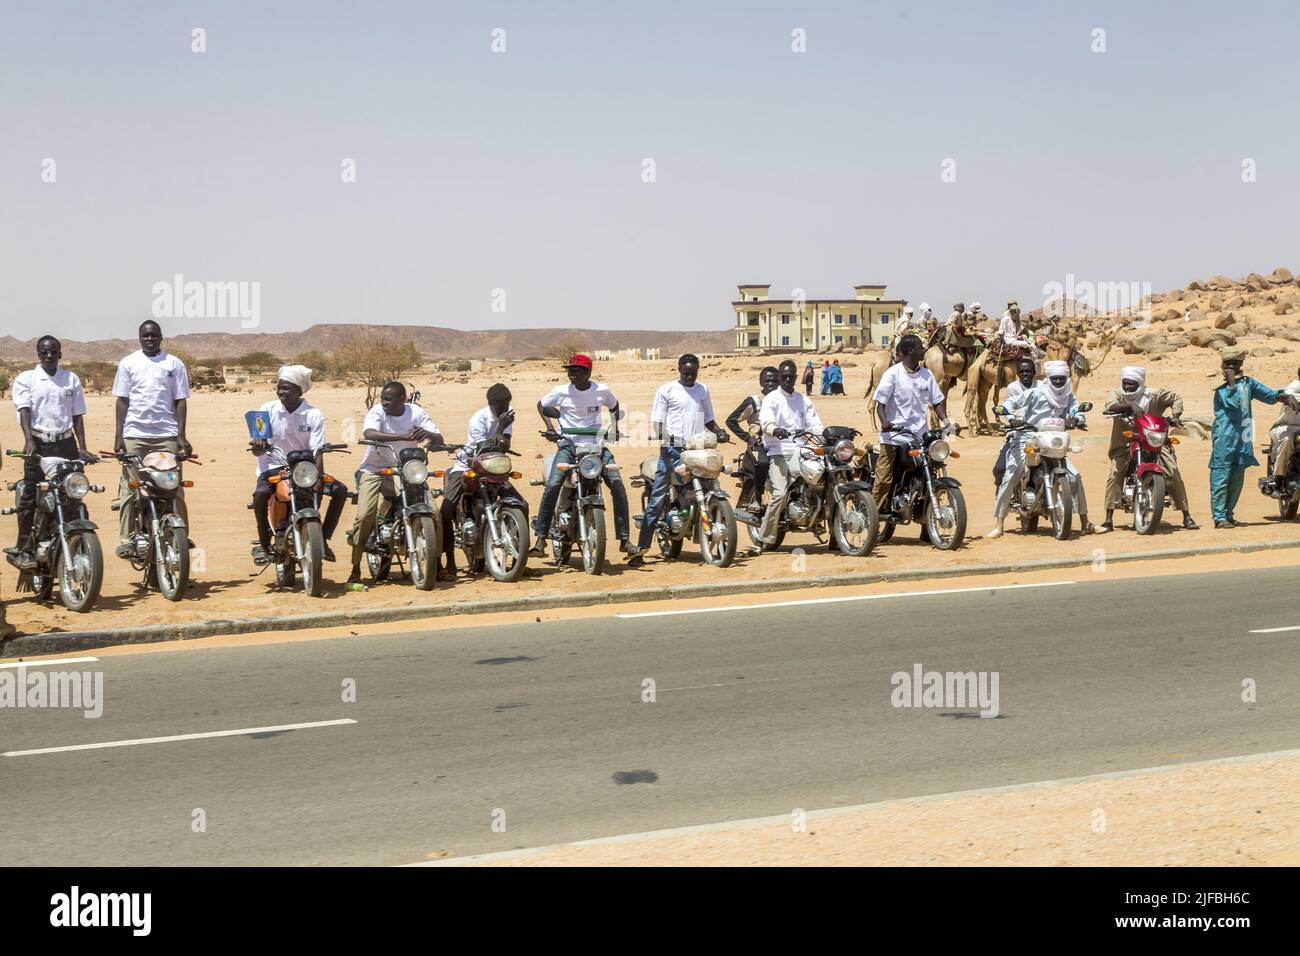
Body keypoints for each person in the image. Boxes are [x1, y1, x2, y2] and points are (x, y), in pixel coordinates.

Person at [6, 336, 98, 570]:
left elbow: (77, 415)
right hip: (38, 443)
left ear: (60, 353)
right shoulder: (27, 379)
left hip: (66, 443)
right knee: (29, 493)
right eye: (44, 352)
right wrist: (29, 441)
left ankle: (74, 540)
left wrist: (82, 448)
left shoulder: (71, 379)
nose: (49, 356)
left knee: (74, 493)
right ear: (38, 354)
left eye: (53, 352)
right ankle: (24, 549)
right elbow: (24, 410)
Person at [530, 354, 635, 559]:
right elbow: (541, 406)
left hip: (597, 446)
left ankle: (625, 540)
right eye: (569, 369)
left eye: (576, 370)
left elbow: (614, 406)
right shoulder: (561, 391)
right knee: (553, 484)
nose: (571, 373)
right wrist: (551, 428)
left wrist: (614, 428)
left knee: (618, 486)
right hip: (568, 446)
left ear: (588, 372)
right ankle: (541, 538)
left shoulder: (601, 390)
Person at [633, 354, 730, 565]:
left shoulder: (703, 389)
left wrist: (719, 431)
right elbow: (658, 420)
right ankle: (641, 549)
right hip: (672, 449)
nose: (689, 376)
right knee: (657, 498)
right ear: (678, 369)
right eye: (686, 372)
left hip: (698, 448)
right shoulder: (666, 390)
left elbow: (709, 419)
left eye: (693, 373)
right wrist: (663, 435)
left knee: (709, 485)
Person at [988, 359, 1101, 538]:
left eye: (1061, 379)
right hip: (1029, 437)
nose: (1058, 382)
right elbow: (1010, 405)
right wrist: (1011, 419)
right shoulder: (1036, 393)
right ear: (1049, 378)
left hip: (1054, 439)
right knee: (1012, 473)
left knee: (1074, 476)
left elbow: (1075, 411)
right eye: (1054, 379)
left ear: (1066, 378)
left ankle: (1085, 522)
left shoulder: (1068, 395)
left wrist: (1076, 419)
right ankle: (999, 524)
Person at [248, 365, 349, 565]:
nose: (281, 392)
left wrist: (318, 478)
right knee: (260, 495)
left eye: (287, 388)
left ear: (299, 391)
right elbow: (256, 449)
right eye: (280, 387)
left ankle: (323, 538)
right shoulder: (265, 410)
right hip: (273, 466)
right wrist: (258, 445)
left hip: (304, 469)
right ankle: (264, 543)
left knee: (340, 490)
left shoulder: (313, 414)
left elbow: (317, 451)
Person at [347, 381, 442, 584]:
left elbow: (439, 437)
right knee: (365, 514)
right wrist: (401, 436)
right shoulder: (377, 411)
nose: (384, 401)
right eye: (383, 397)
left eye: (388, 398)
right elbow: (369, 433)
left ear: (402, 399)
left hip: (408, 468)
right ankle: (355, 566)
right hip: (375, 468)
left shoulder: (416, 412)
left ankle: (437, 563)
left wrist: (427, 434)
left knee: (434, 511)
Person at [112, 320, 192, 558]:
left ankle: (182, 536)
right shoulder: (128, 363)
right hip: (135, 435)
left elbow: (180, 401)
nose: (149, 339)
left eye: (153, 335)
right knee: (131, 488)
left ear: (161, 337)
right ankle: (126, 538)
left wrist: (181, 436)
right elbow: (122, 401)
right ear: (139, 338)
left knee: (173, 488)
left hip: (166, 436)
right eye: (145, 336)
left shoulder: (173, 364)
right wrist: (119, 436)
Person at [440, 383, 523, 579]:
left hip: (493, 467)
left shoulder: (508, 414)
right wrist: (500, 428)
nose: (505, 408)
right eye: (501, 404)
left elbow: (505, 443)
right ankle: (449, 561)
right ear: (491, 403)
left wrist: (503, 432)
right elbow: (480, 450)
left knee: (522, 504)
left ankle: (519, 557)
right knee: (445, 510)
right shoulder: (479, 418)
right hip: (467, 465)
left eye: (507, 403)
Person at [1101, 366, 1197, 531]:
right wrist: (1126, 408)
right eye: (1125, 383)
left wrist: (1175, 416)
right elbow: (1111, 405)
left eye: (1132, 384)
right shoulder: (1118, 394)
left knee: (1172, 471)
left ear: (1139, 383)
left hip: (1154, 440)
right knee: (1116, 473)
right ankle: (1108, 518)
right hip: (1126, 441)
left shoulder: (1153, 395)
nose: (1127, 387)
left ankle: (1186, 515)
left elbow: (1175, 398)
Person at [1209, 346, 1296, 528]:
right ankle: (1219, 517)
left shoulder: (1248, 383)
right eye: (1227, 363)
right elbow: (1232, 404)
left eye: (1235, 363)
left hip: (1244, 436)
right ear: (1222, 365)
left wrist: (1286, 397)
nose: (1231, 366)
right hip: (1225, 438)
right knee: (1221, 476)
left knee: (1237, 479)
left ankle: (1229, 515)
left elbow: (1269, 395)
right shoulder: (1222, 388)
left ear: (1241, 364)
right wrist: (1231, 382)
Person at [871, 333, 953, 515]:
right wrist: (885, 422)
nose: (923, 350)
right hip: (894, 437)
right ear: (909, 351)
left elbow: (937, 401)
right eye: (919, 348)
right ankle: (872, 519)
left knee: (929, 472)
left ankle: (927, 525)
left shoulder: (926, 374)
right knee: (884, 478)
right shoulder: (892, 374)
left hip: (920, 436)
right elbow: (880, 405)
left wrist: (946, 421)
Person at [753, 359, 824, 553]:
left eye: (790, 377)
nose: (787, 380)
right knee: (780, 493)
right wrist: (775, 430)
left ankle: (832, 531)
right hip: (779, 451)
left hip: (802, 450)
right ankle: (763, 538)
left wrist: (825, 436)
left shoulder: (803, 400)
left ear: (795, 378)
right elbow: (766, 422)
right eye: (783, 377)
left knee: (824, 479)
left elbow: (815, 425)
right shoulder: (771, 399)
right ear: (778, 377)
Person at [726, 366, 780, 512]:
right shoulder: (755, 402)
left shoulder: (784, 399)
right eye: (767, 380)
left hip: (781, 443)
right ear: (761, 382)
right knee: (762, 463)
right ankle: (757, 498)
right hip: (760, 444)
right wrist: (747, 438)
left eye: (775, 381)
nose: (771, 384)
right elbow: (731, 421)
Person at [992, 357, 1037, 489]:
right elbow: (1011, 406)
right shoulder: (1013, 387)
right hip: (1018, 432)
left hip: (1038, 433)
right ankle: (1001, 492)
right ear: (1017, 373)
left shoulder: (1042, 386)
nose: (1025, 374)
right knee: (1000, 469)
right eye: (1022, 372)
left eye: (1028, 371)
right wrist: (1012, 420)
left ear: (1034, 372)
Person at [1265, 370, 1300, 495]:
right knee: (1288, 439)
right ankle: (1278, 478)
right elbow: (1287, 394)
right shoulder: (1295, 385)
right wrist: (1289, 399)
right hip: (1285, 427)